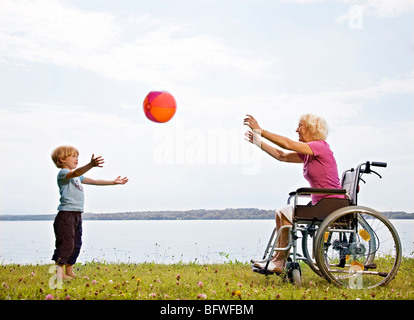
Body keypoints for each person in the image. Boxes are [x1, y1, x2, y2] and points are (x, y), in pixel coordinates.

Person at [243, 113, 343, 274]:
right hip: (321, 204)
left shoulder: (320, 146)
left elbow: (288, 145)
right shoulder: (309, 153)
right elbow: (281, 156)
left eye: (300, 126)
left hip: (330, 205)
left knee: (286, 212)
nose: (296, 130)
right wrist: (258, 142)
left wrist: (261, 131)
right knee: (281, 212)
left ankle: (279, 261)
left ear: (312, 128)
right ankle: (277, 259)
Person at [50, 145, 128, 280]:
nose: (76, 159)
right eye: (73, 156)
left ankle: (69, 271)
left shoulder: (78, 178)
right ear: (62, 159)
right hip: (66, 215)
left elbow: (95, 181)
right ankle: (59, 274)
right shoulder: (63, 173)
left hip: (76, 215)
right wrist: (91, 165)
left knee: (76, 244)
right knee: (66, 243)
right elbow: (75, 173)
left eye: (77, 157)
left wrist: (113, 182)